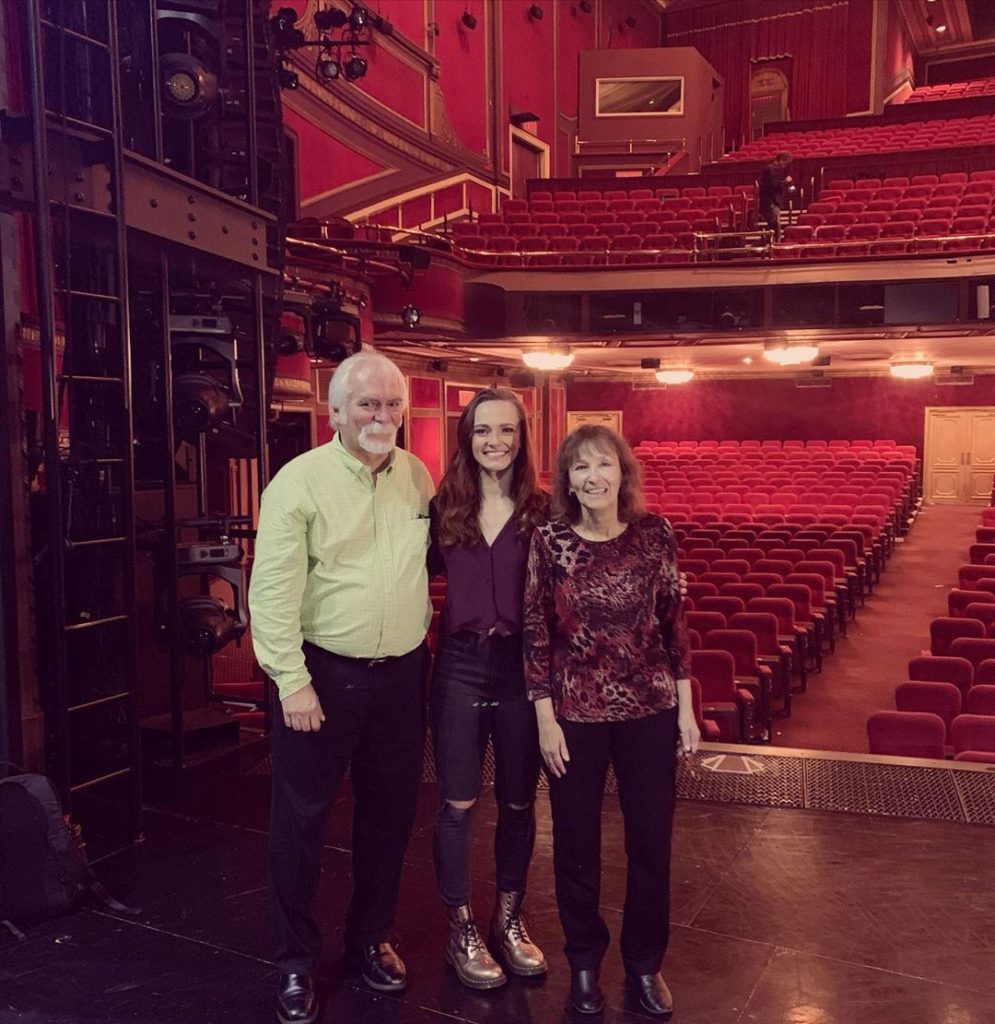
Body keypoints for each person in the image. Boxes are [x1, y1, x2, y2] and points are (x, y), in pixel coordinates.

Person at [249, 350, 434, 1024]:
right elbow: (269, 596)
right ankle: (295, 963)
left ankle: (368, 941)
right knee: (299, 825)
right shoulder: (297, 482)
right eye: (367, 404)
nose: (381, 416)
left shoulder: (417, 476)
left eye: (391, 405)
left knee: (388, 820)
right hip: (321, 677)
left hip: (401, 678)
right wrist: (291, 683)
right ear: (335, 413)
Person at [522, 424, 700, 1018]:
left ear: (623, 473)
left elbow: (674, 624)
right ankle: (583, 965)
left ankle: (645, 965)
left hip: (650, 708)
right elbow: (536, 634)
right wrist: (545, 719)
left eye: (602, 465)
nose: (592, 477)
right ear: (567, 481)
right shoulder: (549, 539)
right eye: (579, 468)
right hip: (574, 712)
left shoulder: (656, 534)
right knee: (575, 846)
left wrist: (687, 710)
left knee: (650, 842)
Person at [428, 388, 549, 990]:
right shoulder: (442, 507)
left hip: (523, 669)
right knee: (458, 802)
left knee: (519, 802)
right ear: (467, 438)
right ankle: (461, 927)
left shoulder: (545, 511)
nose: (495, 441)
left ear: (523, 438)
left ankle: (507, 916)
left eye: (507, 430)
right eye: (482, 431)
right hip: (459, 664)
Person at [759, 151, 794, 241]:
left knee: (775, 224)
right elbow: (772, 186)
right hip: (770, 201)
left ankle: (773, 241)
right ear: (781, 160)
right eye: (785, 163)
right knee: (774, 224)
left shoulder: (773, 170)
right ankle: (772, 242)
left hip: (773, 201)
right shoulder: (769, 170)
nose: (785, 166)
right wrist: (785, 182)